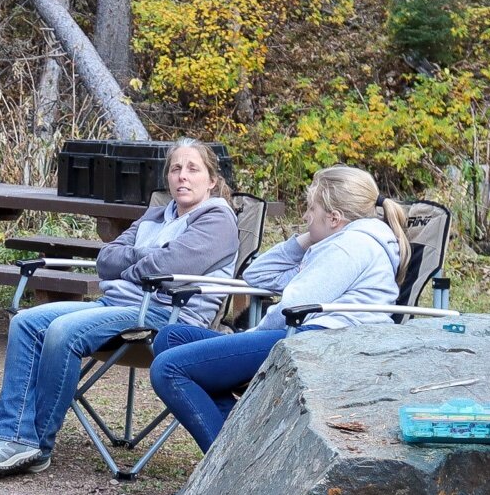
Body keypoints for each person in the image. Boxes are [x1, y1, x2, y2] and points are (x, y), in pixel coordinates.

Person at [0, 139, 239, 481]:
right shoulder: (157, 214)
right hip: (117, 305)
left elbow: (168, 266)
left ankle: (36, 444)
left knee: (63, 332)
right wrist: (140, 262)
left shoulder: (218, 218)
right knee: (26, 322)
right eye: (175, 168)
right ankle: (13, 438)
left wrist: (134, 264)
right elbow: (106, 258)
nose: (182, 176)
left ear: (211, 179)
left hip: (166, 317)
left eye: (193, 169)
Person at [145, 165, 409, 451]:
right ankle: (243, 450)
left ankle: (230, 470)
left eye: (310, 210)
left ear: (334, 217)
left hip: (320, 342)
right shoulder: (339, 242)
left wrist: (247, 336)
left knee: (168, 369)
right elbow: (257, 275)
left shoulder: (349, 248)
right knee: (171, 338)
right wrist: (308, 238)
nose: (305, 217)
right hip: (310, 337)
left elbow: (292, 307)